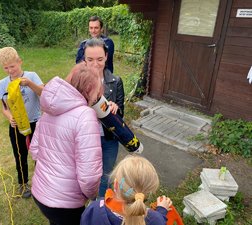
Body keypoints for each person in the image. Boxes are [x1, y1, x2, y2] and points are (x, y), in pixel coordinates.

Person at [29, 63, 103, 225]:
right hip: (66, 203)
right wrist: (91, 195)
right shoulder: (85, 115)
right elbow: (89, 176)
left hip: (41, 193)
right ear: (90, 89)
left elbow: (35, 150)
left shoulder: (50, 109)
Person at [0, 47, 44, 198]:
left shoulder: (32, 76)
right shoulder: (2, 84)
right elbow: (4, 107)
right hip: (17, 126)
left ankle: (42, 182)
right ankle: (23, 184)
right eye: (6, 68)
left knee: (40, 154)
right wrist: (9, 116)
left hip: (36, 122)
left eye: (12, 66)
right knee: (20, 154)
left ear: (19, 62)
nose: (10, 70)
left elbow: (43, 92)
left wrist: (29, 84)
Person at [84, 38, 124, 197]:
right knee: (87, 173)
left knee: (106, 174)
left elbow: (121, 114)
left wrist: (116, 109)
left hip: (109, 139)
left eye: (100, 59)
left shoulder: (116, 82)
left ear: (107, 56)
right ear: (84, 59)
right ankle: (85, 198)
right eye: (90, 59)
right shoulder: (78, 83)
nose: (95, 64)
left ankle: (99, 205)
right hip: (86, 139)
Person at [80, 155, 172, 225]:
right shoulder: (154, 219)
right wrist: (162, 210)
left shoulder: (94, 209)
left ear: (116, 185)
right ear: (148, 192)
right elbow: (159, 220)